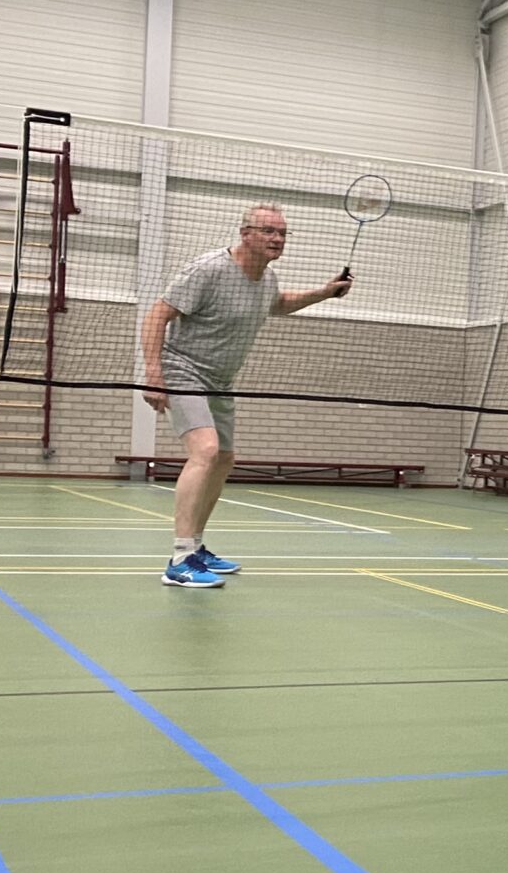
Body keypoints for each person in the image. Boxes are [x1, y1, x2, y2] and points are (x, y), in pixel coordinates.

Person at [138, 202, 354, 587]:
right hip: (182, 368)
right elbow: (157, 314)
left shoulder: (266, 278)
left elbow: (279, 303)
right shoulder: (209, 270)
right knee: (204, 450)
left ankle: (198, 547)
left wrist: (324, 292)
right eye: (269, 231)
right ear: (245, 234)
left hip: (220, 379)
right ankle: (180, 559)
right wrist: (154, 373)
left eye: (283, 233)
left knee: (224, 457)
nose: (277, 239)